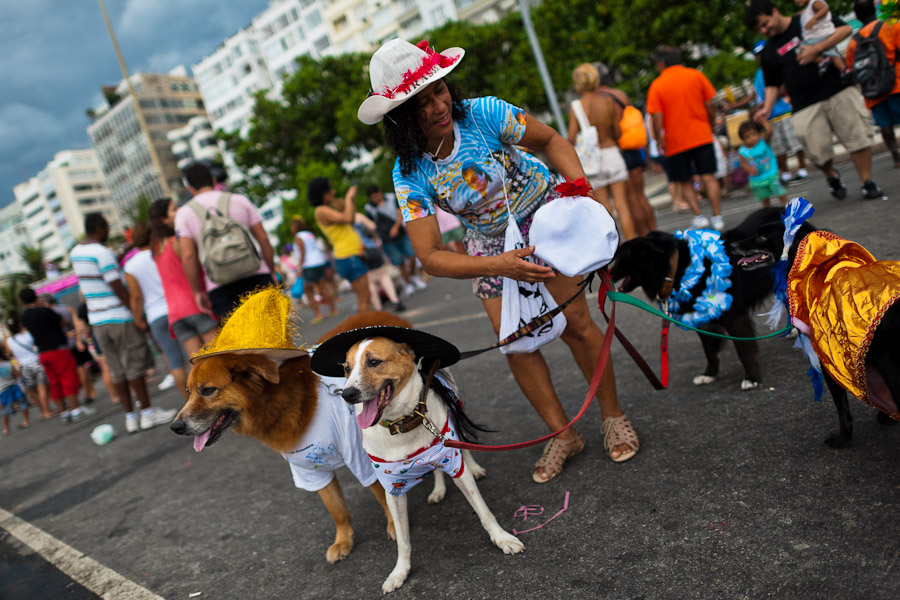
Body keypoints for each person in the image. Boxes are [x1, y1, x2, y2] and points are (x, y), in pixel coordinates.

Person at [358, 39, 638, 481]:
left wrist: (581, 194)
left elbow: (552, 140)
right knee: (516, 344)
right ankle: (563, 434)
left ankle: (612, 415)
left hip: (543, 216)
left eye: (439, 91)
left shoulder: (485, 113)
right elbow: (429, 256)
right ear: (399, 118)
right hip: (490, 248)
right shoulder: (408, 173)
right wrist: (501, 264)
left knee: (579, 326)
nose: (437, 105)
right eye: (420, 102)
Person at [747, 0, 887, 201]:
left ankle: (867, 182)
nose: (764, 29)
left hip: (838, 88)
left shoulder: (806, 19)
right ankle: (832, 174)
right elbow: (772, 84)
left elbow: (845, 29)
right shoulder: (769, 51)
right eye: (759, 29)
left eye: (764, 23)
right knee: (815, 152)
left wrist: (817, 48)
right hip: (803, 102)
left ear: (774, 11)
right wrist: (766, 108)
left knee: (857, 137)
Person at [70, 213, 174, 433]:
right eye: (106, 227)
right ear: (98, 228)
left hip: (97, 321)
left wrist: (123, 251)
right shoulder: (101, 252)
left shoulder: (77, 253)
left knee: (117, 371)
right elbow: (117, 286)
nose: (108, 232)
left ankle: (130, 418)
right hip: (118, 318)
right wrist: (136, 315)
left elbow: (102, 271)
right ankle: (147, 413)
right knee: (134, 367)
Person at [175, 161, 277, 320]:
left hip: (219, 286)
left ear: (191, 189)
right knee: (274, 332)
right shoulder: (239, 200)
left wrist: (197, 291)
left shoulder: (184, 214)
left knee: (243, 342)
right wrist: (270, 270)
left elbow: (188, 256)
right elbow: (263, 239)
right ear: (214, 181)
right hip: (257, 274)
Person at [646, 47, 725, 230]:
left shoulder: (657, 85)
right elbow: (710, 104)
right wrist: (711, 124)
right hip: (702, 134)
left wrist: (659, 140)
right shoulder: (696, 75)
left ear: (661, 63)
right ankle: (717, 216)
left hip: (675, 141)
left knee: (684, 180)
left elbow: (657, 117)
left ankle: (699, 215)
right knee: (709, 176)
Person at [567, 63, 634, 238]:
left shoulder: (576, 106)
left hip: (592, 162)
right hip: (611, 153)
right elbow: (617, 132)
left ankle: (616, 250)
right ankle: (634, 247)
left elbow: (572, 137)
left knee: (606, 210)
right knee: (623, 205)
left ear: (578, 84)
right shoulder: (608, 102)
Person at [123, 222, 189, 401]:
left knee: (175, 363)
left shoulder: (130, 265)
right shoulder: (161, 253)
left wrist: (138, 320)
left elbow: (136, 297)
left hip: (155, 315)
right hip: (178, 307)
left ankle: (189, 402)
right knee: (195, 354)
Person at [148, 198, 219, 357]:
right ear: (164, 220)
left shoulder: (157, 248)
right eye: (174, 209)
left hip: (176, 314)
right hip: (196, 306)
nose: (180, 210)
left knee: (201, 367)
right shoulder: (178, 242)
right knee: (221, 360)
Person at [594, 63, 657, 236]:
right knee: (640, 196)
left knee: (630, 200)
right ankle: (654, 232)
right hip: (634, 149)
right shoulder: (620, 94)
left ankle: (643, 238)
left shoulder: (598, 100)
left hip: (619, 150)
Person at [20, 287, 88, 423]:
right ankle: (75, 410)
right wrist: (45, 307)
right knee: (68, 378)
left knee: (54, 382)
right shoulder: (44, 310)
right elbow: (62, 321)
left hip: (43, 352)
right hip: (58, 349)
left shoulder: (25, 316)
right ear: (35, 297)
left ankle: (64, 413)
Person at [846, 0, 900, 169]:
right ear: (874, 10)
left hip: (873, 90)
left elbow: (851, 67)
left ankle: (896, 157)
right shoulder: (890, 28)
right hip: (895, 83)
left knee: (885, 125)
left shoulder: (854, 41)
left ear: (857, 16)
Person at [750, 40, 810, 184]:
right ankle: (785, 172)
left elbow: (782, 89)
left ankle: (802, 168)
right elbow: (758, 95)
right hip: (770, 116)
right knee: (778, 147)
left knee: (794, 142)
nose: (761, 56)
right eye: (758, 54)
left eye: (763, 53)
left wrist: (764, 104)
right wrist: (759, 108)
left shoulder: (777, 67)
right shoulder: (758, 75)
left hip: (785, 110)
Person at [309, 178, 372, 314]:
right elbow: (348, 218)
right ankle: (367, 330)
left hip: (351, 255)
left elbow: (351, 218)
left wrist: (351, 201)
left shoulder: (326, 209)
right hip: (348, 256)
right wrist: (349, 197)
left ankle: (369, 328)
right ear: (322, 193)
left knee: (366, 296)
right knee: (364, 297)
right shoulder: (321, 210)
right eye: (330, 189)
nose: (333, 191)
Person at [364, 185, 427, 297]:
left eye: (375, 196)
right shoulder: (369, 208)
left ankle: (413, 276)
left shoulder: (392, 197)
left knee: (412, 255)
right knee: (399, 263)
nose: (375, 199)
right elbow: (371, 225)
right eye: (372, 198)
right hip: (386, 239)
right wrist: (376, 240)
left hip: (401, 234)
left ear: (379, 192)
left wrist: (396, 227)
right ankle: (408, 284)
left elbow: (400, 213)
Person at [40, 293, 97, 405]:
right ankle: (90, 391)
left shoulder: (50, 314)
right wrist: (79, 340)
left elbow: (53, 333)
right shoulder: (68, 308)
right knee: (82, 368)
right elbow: (79, 326)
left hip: (64, 346)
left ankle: (86, 393)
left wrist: (66, 335)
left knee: (77, 371)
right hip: (76, 342)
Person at [290, 216, 338, 323]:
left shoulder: (298, 236)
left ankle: (318, 314)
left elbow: (302, 252)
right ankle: (333, 309)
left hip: (309, 265)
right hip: (319, 262)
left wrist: (300, 267)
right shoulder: (309, 234)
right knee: (323, 287)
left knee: (309, 291)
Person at [355, 213, 406, 313]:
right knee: (383, 276)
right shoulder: (357, 216)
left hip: (358, 253)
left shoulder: (340, 221)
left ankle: (378, 309)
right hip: (371, 249)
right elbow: (373, 226)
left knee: (370, 282)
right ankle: (395, 301)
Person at [4, 314, 52, 419]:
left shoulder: (9, 341)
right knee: (41, 386)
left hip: (23, 367)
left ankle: (42, 412)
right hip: (36, 363)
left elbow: (8, 354)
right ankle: (47, 410)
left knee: (32, 391)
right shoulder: (28, 334)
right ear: (20, 325)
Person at [738, 120, 788, 207]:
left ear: (759, 133)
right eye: (747, 137)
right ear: (743, 139)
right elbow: (743, 164)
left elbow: (769, 132)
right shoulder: (743, 151)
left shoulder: (763, 142)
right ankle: (768, 212)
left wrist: (764, 122)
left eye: (754, 134)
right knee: (763, 196)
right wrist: (749, 169)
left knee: (779, 191)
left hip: (771, 173)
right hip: (757, 179)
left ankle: (787, 206)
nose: (752, 138)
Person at [794, 0, 847, 74]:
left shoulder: (814, 2)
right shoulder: (808, 8)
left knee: (800, 50)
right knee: (832, 53)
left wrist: (813, 19)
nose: (796, 1)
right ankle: (841, 69)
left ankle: (824, 61)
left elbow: (824, 8)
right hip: (817, 35)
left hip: (819, 34)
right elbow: (799, 14)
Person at [0, 348, 29, 435]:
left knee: (5, 410)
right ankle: (26, 421)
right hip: (14, 386)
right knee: (22, 404)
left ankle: (6, 429)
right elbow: (17, 375)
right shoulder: (8, 364)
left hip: (3, 390)